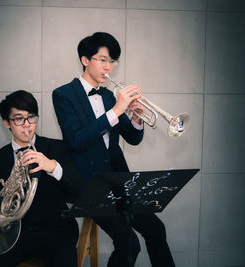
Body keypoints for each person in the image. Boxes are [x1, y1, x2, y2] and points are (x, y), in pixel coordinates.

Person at [52, 32, 175, 267]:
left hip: (118, 181)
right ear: (85, 60)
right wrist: (116, 111)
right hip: (88, 185)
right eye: (102, 59)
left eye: (112, 61)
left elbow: (132, 138)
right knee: (129, 243)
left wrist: (137, 118)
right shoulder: (63, 94)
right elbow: (76, 140)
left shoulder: (109, 96)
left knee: (156, 229)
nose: (108, 66)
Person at [0, 90, 82, 267]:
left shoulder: (57, 148)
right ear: (7, 123)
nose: (26, 125)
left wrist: (53, 167)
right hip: (19, 234)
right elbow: (2, 204)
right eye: (18, 118)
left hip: (57, 232)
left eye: (31, 117)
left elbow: (78, 191)